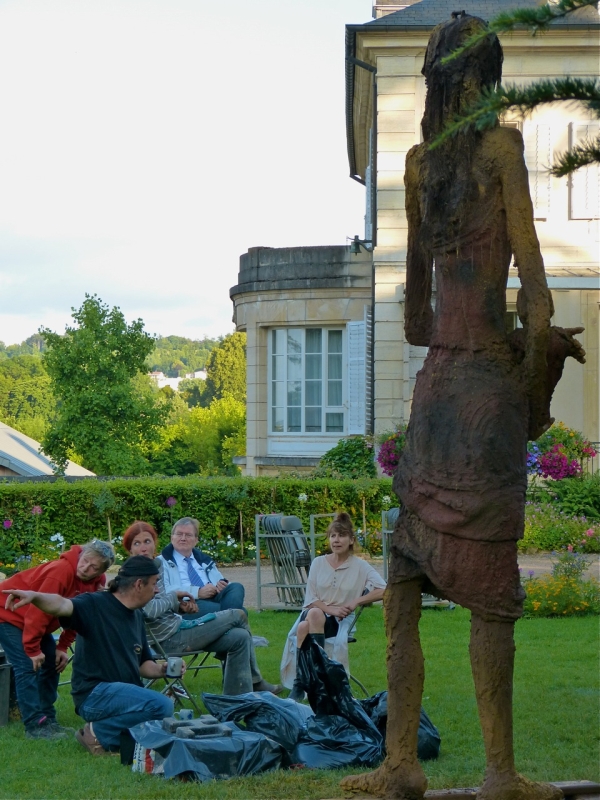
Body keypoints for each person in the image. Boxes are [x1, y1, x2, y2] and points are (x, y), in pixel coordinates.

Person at [341, 14, 584, 800]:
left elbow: (414, 317)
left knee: (406, 582)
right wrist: (533, 369)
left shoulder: (416, 166)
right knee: (492, 597)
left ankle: (400, 762)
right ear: (493, 73)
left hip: (434, 392)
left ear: (435, 79)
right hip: (484, 389)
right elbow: (538, 296)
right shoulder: (501, 150)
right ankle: (499, 772)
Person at [3, 556, 174, 756]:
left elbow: (144, 664)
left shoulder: (136, 615)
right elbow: (61, 605)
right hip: (95, 695)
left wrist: (163, 669)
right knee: (162, 706)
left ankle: (113, 733)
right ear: (138, 584)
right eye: (154, 584)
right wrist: (35, 596)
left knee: (164, 722)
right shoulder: (94, 603)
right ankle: (98, 732)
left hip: (123, 696)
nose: (157, 590)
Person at [123, 521, 281, 696]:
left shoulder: (155, 567)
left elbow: (162, 605)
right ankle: (256, 682)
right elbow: (149, 611)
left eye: (147, 541)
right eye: (137, 543)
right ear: (130, 549)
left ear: (154, 543)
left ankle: (235, 702)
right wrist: (175, 597)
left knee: (240, 637)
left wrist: (180, 607)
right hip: (167, 640)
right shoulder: (132, 574)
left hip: (179, 626)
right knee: (238, 615)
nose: (144, 548)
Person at [0, 540, 114, 740]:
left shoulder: (96, 583)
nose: (85, 568)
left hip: (34, 621)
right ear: (81, 555)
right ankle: (35, 726)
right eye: (85, 561)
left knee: (52, 663)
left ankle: (47, 719)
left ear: (100, 571)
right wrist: (32, 649)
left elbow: (80, 614)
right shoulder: (61, 571)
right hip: (8, 613)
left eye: (93, 567)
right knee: (27, 665)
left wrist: (62, 647)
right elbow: (37, 613)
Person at [284, 513, 386, 702]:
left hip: (339, 620)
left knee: (302, 627)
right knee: (313, 614)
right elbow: (311, 599)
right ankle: (320, 677)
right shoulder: (318, 562)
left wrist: (355, 602)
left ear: (351, 540)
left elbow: (384, 589)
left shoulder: (360, 566)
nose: (336, 540)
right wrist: (331, 610)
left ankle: (301, 683)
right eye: (333, 536)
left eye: (341, 536)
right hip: (316, 612)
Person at [159, 517, 245, 616]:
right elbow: (163, 591)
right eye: (179, 534)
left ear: (196, 540)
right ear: (172, 538)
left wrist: (222, 585)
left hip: (214, 597)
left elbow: (219, 580)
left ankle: (229, 618)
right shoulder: (161, 562)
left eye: (188, 535)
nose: (183, 538)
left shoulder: (204, 561)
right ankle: (232, 617)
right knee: (241, 612)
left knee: (236, 587)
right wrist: (197, 592)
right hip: (190, 603)